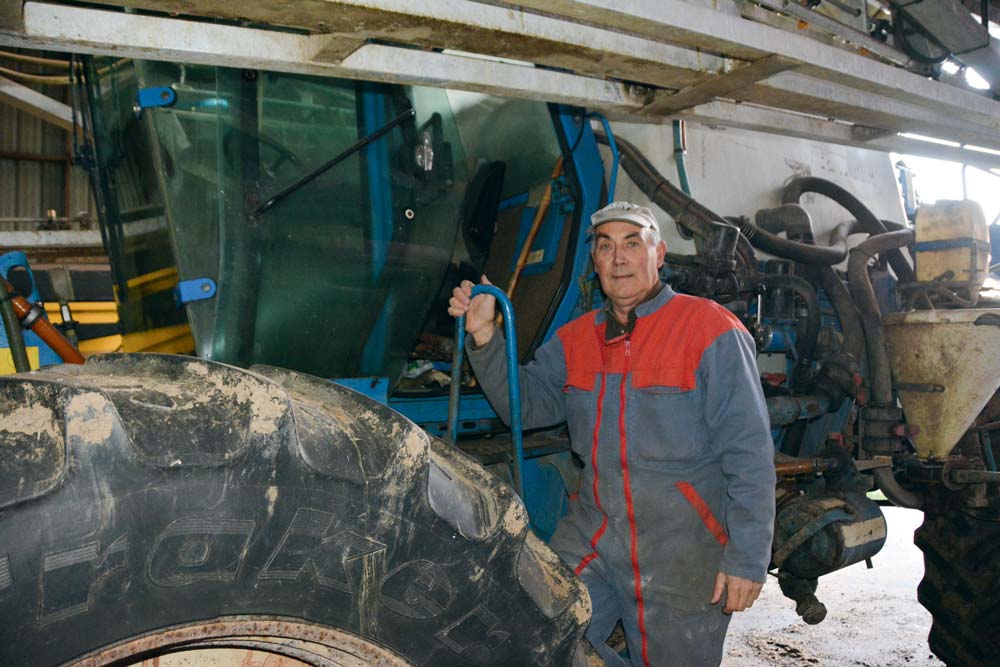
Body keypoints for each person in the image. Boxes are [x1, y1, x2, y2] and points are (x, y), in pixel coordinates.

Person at [448, 201, 775, 667]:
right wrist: (484, 336)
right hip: (595, 533)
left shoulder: (709, 329)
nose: (619, 258)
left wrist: (746, 559)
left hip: (681, 546)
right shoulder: (576, 337)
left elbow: (750, 453)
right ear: (595, 261)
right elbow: (525, 407)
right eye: (605, 247)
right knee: (535, 632)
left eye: (631, 243)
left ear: (658, 253)